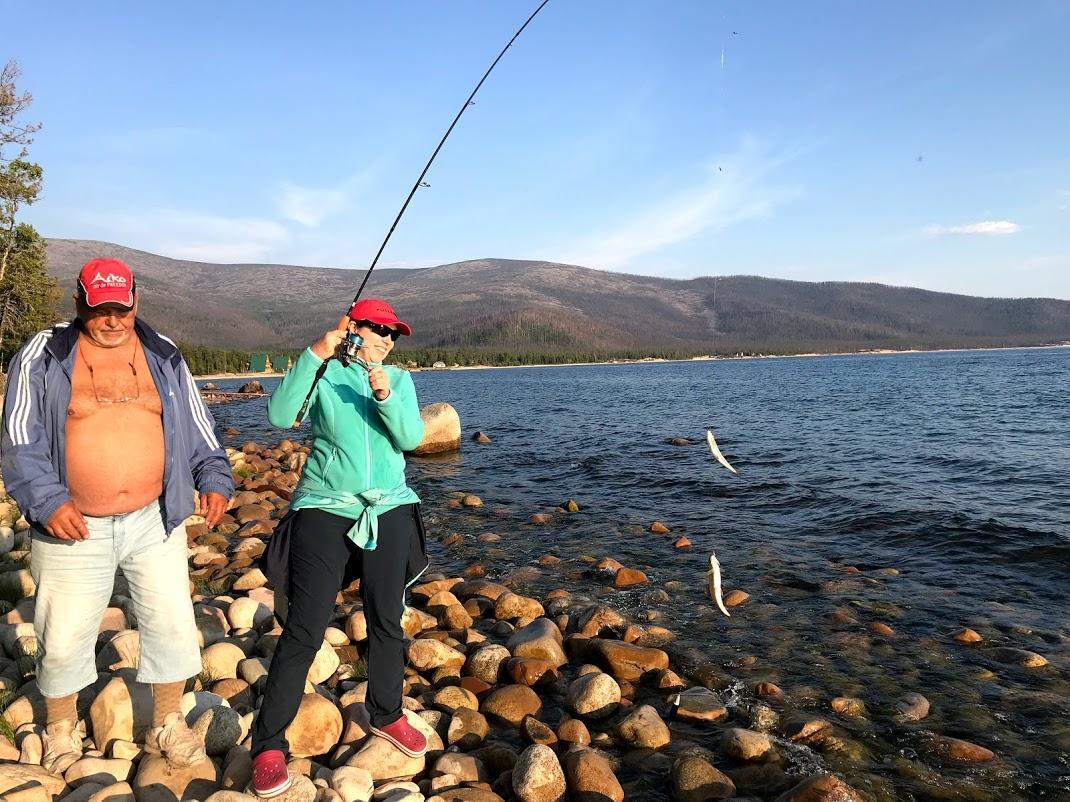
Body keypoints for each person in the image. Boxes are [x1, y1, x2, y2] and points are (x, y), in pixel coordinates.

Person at [0, 258, 234, 772]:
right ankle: (60, 726)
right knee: (61, 633)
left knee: (171, 623)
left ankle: (167, 724)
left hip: (155, 518)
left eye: (120, 307)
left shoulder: (163, 353)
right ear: (80, 302)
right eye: (99, 308)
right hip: (71, 525)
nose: (111, 319)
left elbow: (198, 425)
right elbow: (19, 441)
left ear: (136, 301)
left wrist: (214, 477)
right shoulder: (42, 354)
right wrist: (47, 501)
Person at [249, 299, 428, 798]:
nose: (388, 340)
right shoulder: (324, 372)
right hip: (325, 507)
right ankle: (267, 744)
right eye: (379, 330)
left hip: (389, 507)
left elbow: (411, 437)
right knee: (305, 628)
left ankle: (386, 713)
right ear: (353, 327)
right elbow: (281, 416)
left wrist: (386, 393)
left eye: (394, 334)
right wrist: (314, 353)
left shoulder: (398, 379)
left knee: (387, 619)